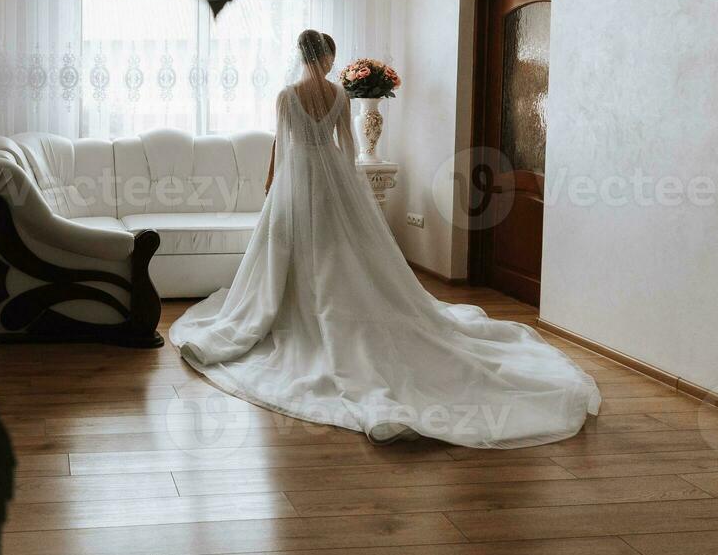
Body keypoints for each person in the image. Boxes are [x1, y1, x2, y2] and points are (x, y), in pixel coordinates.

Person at [170, 29, 599, 448]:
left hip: (296, 182)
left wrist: (270, 182)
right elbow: (347, 148)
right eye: (331, 57)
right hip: (334, 180)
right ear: (326, 58)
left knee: (288, 249)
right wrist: (347, 189)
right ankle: (334, 308)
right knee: (341, 253)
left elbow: (280, 145)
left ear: (301, 56)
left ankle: (290, 308)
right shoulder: (340, 96)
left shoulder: (285, 97)